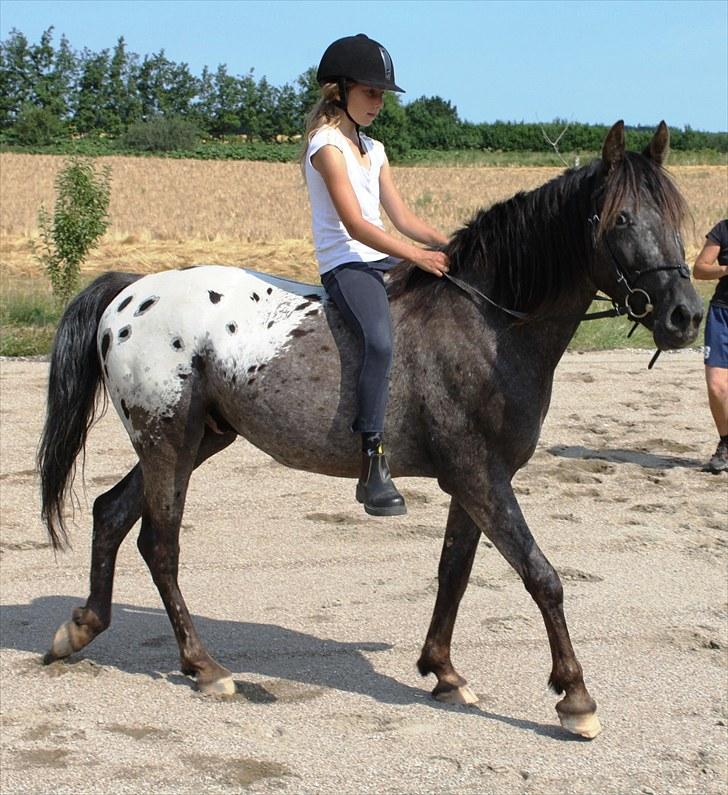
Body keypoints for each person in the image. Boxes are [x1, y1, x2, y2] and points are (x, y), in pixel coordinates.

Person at [302, 34, 450, 516]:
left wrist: (452, 247)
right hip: (346, 263)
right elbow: (356, 225)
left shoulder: (376, 149)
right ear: (340, 90)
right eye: (370, 92)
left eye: (382, 95)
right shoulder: (326, 146)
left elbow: (404, 219)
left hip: (381, 257)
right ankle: (372, 459)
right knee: (381, 341)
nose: (378, 103)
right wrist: (414, 256)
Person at [692, 218, 728, 473]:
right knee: (717, 386)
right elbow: (700, 269)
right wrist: (726, 269)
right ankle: (726, 444)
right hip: (722, 314)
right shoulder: (723, 229)